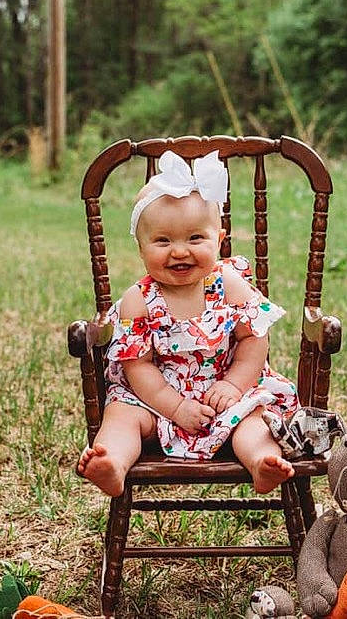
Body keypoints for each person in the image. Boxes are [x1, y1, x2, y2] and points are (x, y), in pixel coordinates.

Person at [78, 150, 299, 497]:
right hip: (156, 402)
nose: (180, 251)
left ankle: (261, 462)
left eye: (195, 238)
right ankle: (113, 464)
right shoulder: (139, 300)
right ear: (141, 248)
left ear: (219, 240)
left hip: (226, 395)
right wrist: (176, 407)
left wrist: (234, 386)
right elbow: (139, 368)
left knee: (254, 419)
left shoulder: (228, 283)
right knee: (121, 413)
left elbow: (254, 340)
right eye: (163, 241)